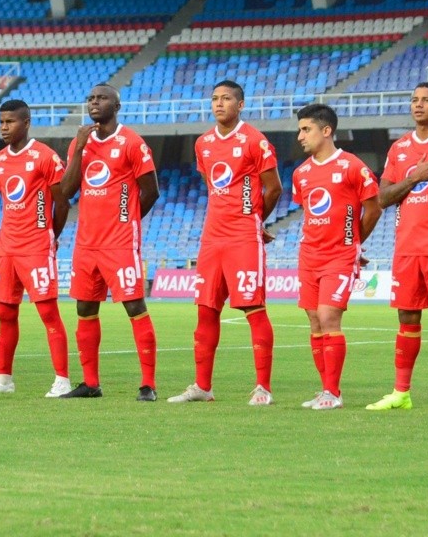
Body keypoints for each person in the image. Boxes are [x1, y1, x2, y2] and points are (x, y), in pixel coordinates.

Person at [168, 80, 282, 406]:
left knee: (254, 310)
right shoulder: (203, 143)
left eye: (227, 99)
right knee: (206, 311)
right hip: (211, 238)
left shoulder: (254, 141)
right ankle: (202, 387)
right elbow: (210, 183)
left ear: (240, 104)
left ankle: (263, 388)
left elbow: (273, 189)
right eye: (215, 99)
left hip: (243, 236)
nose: (219, 104)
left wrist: (255, 219)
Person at [58, 83, 159, 401]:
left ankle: (148, 384)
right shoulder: (81, 143)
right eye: (90, 98)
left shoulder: (132, 142)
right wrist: (79, 149)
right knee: (85, 307)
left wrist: (126, 220)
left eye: (101, 98)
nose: (93, 103)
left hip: (119, 243)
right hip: (86, 243)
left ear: (117, 104)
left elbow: (151, 190)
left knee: (134, 305)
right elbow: (66, 189)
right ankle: (90, 383)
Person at [0, 99, 71, 397]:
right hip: (7, 248)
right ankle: (3, 379)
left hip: (36, 246)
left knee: (48, 312)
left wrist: (50, 234)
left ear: (26, 123)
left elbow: (62, 201)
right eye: (1, 122)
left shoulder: (45, 157)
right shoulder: (0, 161)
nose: (4, 127)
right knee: (5, 312)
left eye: (10, 122)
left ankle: (62, 379)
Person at [366, 82, 428, 414]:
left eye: (426, 100)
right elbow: (382, 198)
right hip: (406, 246)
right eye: (414, 99)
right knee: (407, 316)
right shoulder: (400, 148)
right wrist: (415, 176)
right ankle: (401, 392)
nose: (418, 105)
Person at [293, 103, 381, 410]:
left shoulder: (352, 166)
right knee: (315, 322)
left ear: (326, 130)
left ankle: (332, 392)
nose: (300, 136)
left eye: (306, 129)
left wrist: (353, 243)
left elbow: (374, 207)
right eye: (300, 130)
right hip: (308, 256)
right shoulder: (301, 174)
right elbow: (309, 214)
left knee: (329, 317)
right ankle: (327, 390)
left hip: (339, 257)